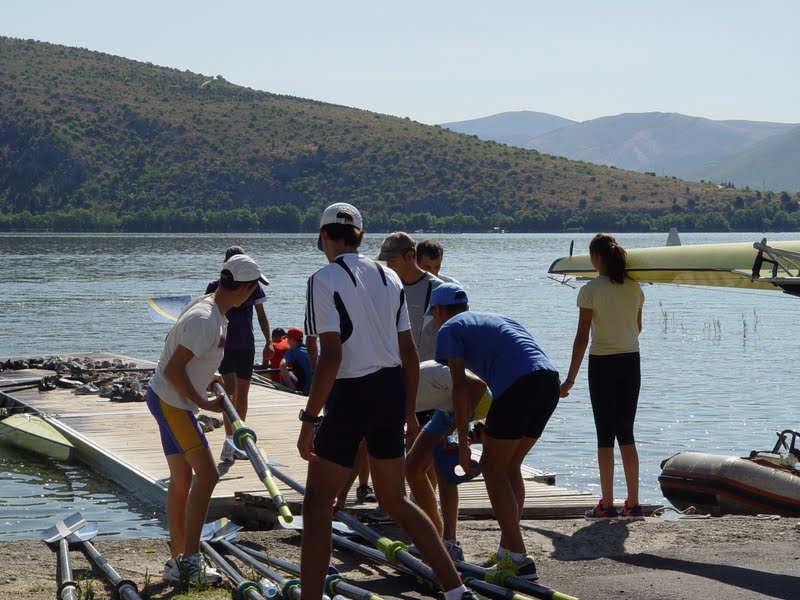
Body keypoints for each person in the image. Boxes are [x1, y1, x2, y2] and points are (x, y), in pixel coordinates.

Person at [298, 202, 477, 600]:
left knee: (316, 505)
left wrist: (309, 419)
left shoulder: (322, 279)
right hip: (391, 390)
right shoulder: (390, 276)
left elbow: (330, 356)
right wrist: (408, 412)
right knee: (394, 498)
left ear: (324, 236)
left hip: (352, 393)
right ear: (359, 236)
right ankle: (456, 590)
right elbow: (409, 352)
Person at [147, 253, 267, 585]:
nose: (255, 293)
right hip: (172, 402)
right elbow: (173, 369)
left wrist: (204, 373)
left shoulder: (209, 307)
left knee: (182, 478)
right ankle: (189, 560)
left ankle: (177, 561)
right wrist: (204, 402)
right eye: (255, 288)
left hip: (164, 397)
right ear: (245, 289)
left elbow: (176, 349)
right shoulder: (206, 318)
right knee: (209, 475)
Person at [430, 283, 560, 580]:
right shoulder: (497, 318)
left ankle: (519, 559)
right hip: (548, 381)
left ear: (437, 311)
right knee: (509, 465)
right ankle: (507, 552)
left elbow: (460, 387)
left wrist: (461, 442)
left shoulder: (448, 328)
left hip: (518, 386)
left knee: (491, 467)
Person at [560, 233, 645, 522]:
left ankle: (607, 504)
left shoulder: (589, 290)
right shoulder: (635, 288)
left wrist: (569, 380)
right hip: (631, 362)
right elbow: (637, 328)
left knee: (605, 434)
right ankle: (634, 504)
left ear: (597, 258)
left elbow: (582, 337)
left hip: (603, 364)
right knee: (627, 433)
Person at [405, 360, 490, 560]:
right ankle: (435, 537)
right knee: (412, 467)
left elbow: (479, 386)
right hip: (447, 410)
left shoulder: (427, 375)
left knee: (443, 465)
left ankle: (450, 544)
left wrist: (457, 433)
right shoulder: (395, 390)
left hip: (478, 402)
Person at [205, 246, 273, 463]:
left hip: (246, 345)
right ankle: (229, 441)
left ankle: (238, 439)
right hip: (225, 344)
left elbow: (261, 315)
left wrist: (269, 341)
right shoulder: (215, 286)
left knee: (242, 395)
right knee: (230, 393)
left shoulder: (254, 286)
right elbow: (208, 317)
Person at [280, 327, 312, 395]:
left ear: (292, 340)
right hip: (315, 386)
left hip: (304, 389)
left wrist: (290, 385)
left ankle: (290, 393)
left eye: (287, 339)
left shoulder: (291, 352)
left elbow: (282, 365)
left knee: (285, 373)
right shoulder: (310, 349)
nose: (286, 341)